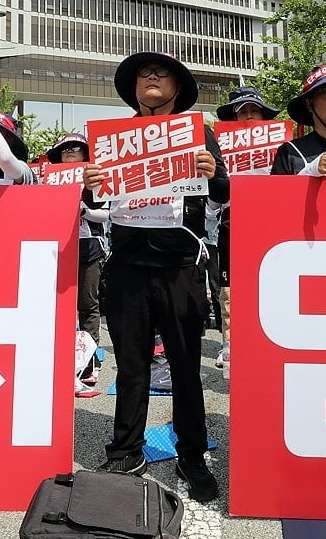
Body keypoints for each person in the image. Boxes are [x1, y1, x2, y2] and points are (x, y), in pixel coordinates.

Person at [83, 51, 228, 503]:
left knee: (185, 367)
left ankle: (191, 454)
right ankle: (126, 449)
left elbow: (224, 192)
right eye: (144, 73)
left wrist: (212, 175)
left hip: (180, 266)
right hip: (126, 267)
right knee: (131, 367)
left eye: (161, 72)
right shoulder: (113, 137)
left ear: (177, 89)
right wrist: (90, 179)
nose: (151, 76)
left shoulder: (199, 133)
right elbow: (97, 195)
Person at [213, 85, 281, 371]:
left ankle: (272, 339)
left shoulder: (282, 148)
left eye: (255, 110)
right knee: (230, 288)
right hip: (232, 223)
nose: (250, 116)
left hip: (273, 223)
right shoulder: (219, 148)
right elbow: (214, 194)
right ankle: (231, 343)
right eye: (244, 112)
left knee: (271, 284)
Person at [46, 132, 109, 389]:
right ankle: (60, 360)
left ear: (85, 154)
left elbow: (107, 214)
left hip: (88, 246)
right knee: (59, 308)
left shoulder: (96, 179)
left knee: (87, 304)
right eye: (65, 149)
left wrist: (83, 210)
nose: (70, 152)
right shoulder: (49, 179)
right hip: (57, 247)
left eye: (76, 148)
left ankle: (88, 363)